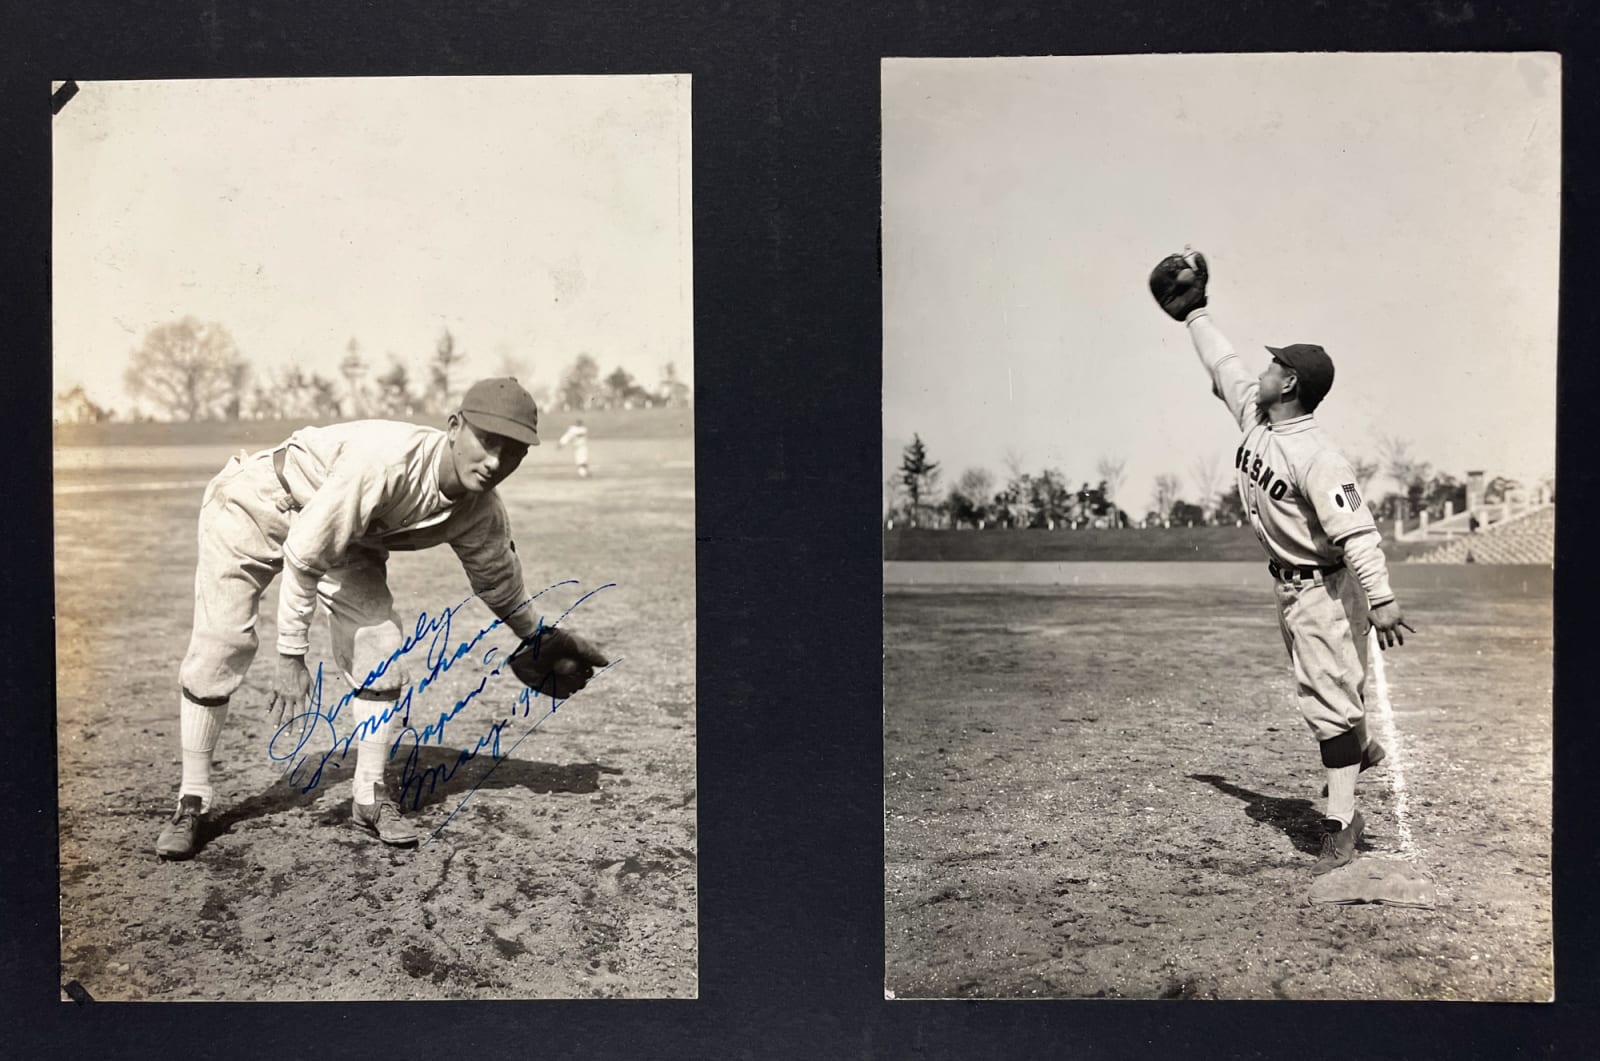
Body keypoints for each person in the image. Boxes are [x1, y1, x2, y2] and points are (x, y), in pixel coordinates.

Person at [156, 377, 608, 860]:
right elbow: (305, 557)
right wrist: (291, 655)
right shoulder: (385, 462)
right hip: (257, 504)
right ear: (454, 427)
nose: (496, 461)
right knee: (223, 644)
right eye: (488, 441)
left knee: (380, 648)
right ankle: (193, 799)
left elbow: (498, 580)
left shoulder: (481, 509)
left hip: (342, 533)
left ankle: (369, 796)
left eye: (514, 451)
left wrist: (536, 636)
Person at [1150, 250, 1414, 875]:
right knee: (1328, 696)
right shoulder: (1257, 419)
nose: (1263, 370)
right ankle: (1362, 744)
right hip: (1290, 591)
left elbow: (1357, 532)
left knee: (1326, 705)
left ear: (1290, 382)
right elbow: (1225, 363)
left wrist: (1380, 599)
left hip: (1325, 591)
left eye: (1275, 365)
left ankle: (1341, 823)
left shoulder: (1319, 456)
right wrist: (1195, 316)